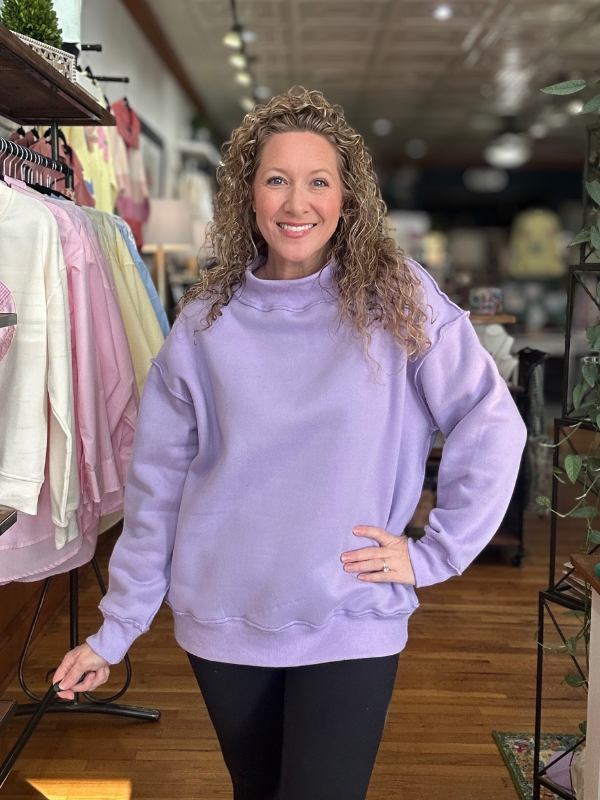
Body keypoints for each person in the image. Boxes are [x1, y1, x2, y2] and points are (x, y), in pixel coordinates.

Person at [53, 88, 527, 800]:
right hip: (223, 618)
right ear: (249, 195)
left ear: (347, 198)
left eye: (318, 181)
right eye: (276, 179)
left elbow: (492, 422)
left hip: (352, 611)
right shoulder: (204, 323)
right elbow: (157, 487)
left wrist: (437, 551)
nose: (296, 202)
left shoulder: (398, 300)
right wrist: (115, 631)